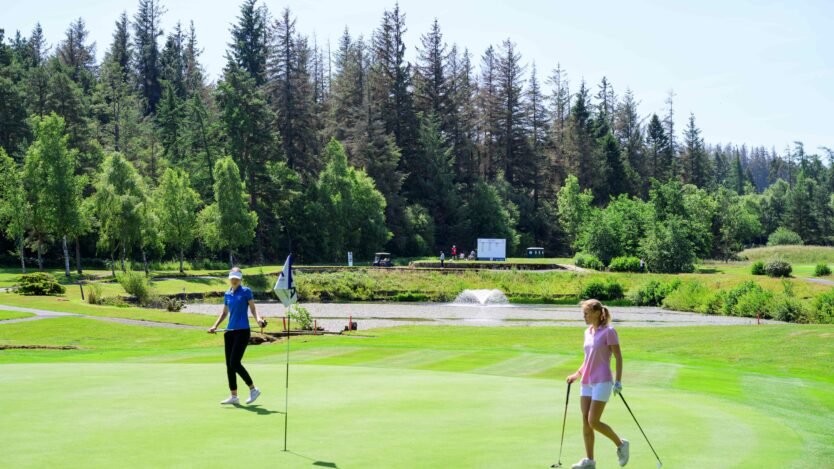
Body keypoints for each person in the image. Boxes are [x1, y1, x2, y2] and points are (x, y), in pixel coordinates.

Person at [566, 299, 629, 468]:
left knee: (593, 421)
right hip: (587, 381)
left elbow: (618, 357)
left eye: (586, 313)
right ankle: (590, 460)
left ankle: (621, 444)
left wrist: (618, 381)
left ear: (596, 313)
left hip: (602, 381)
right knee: (585, 421)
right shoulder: (587, 332)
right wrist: (576, 374)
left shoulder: (609, 331)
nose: (584, 317)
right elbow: (588, 359)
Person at [208, 267, 267, 405]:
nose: (234, 280)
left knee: (235, 362)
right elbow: (224, 313)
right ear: (230, 278)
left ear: (240, 279)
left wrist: (258, 320)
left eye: (237, 278)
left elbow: (253, 308)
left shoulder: (246, 291)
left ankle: (253, 389)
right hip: (229, 332)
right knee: (229, 365)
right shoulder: (227, 294)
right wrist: (215, 326)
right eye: (232, 278)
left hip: (242, 331)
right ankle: (234, 396)